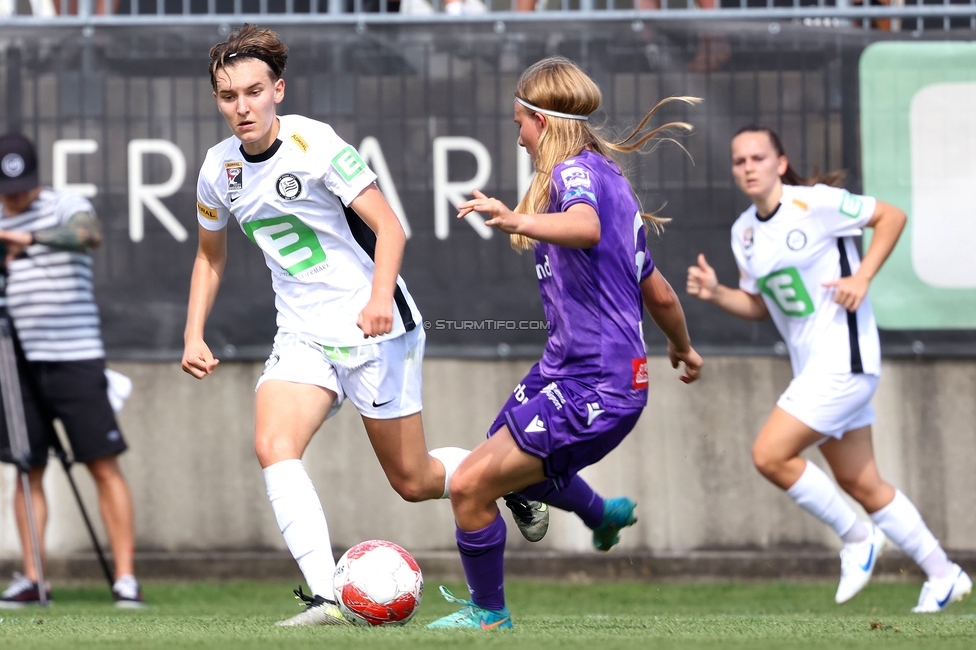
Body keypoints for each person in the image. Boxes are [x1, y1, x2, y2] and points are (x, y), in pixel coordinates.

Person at [182, 24, 468, 627]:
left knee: (413, 481)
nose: (243, 106)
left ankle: (503, 475)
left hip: (374, 329)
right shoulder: (216, 170)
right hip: (303, 334)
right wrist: (193, 334)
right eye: (230, 96)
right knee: (273, 445)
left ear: (277, 90)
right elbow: (210, 256)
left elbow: (390, 227)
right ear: (217, 100)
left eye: (254, 92)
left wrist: (380, 298)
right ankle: (326, 597)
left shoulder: (316, 144)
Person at [426, 56, 703, 630]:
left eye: (520, 124)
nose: (520, 137)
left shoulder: (574, 173)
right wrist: (682, 346)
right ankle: (601, 513)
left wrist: (513, 219)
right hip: (567, 373)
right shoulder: (613, 183)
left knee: (471, 486)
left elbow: (585, 228)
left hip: (597, 386)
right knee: (495, 460)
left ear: (542, 122)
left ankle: (489, 616)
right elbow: (663, 295)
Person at [686, 125, 972, 612]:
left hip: (846, 360)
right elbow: (761, 306)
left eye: (759, 157)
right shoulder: (745, 234)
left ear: (780, 162)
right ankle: (945, 575)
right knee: (863, 483)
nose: (749, 167)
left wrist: (862, 277)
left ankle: (858, 539)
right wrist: (717, 293)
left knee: (770, 455)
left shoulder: (815, 203)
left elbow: (892, 217)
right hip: (814, 367)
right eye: (740, 161)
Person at [0, 133, 143, 608]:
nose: (16, 196)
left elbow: (89, 234)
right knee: (27, 469)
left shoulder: (66, 204)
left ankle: (125, 579)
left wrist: (28, 236)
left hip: (75, 355)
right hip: (14, 363)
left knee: (102, 464)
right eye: (7, 187)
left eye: (23, 186)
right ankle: (34, 577)